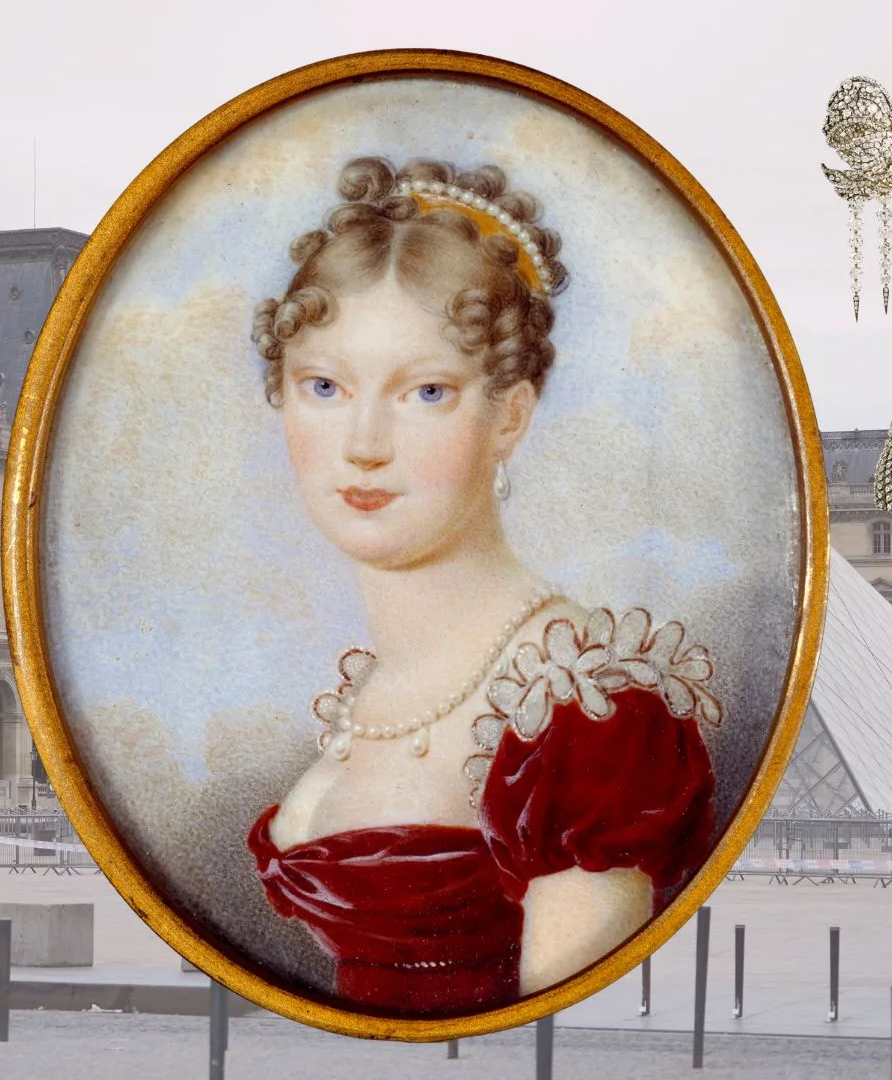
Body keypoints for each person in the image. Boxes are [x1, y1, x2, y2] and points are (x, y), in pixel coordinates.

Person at [245, 157, 721, 1015]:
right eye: (323, 386)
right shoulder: (377, 681)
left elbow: (561, 1042)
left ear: (510, 416)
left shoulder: (589, 713)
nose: (362, 442)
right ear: (279, 396)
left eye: (426, 391)